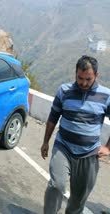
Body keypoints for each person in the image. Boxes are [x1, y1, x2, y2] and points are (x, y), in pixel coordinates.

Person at [40, 55, 110, 214]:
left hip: (89, 154)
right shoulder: (64, 91)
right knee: (57, 185)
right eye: (80, 78)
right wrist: (45, 142)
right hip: (63, 147)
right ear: (75, 73)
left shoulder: (106, 95)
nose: (84, 83)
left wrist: (108, 147)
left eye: (88, 79)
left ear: (96, 76)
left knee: (79, 197)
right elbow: (53, 117)